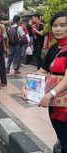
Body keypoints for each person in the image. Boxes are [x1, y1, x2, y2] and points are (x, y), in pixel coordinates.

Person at [22, 12, 67, 153]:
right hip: (55, 104)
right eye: (55, 25)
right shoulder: (54, 49)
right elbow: (42, 71)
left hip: (61, 102)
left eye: (62, 25)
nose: (58, 29)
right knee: (61, 136)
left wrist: (50, 94)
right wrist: (27, 87)